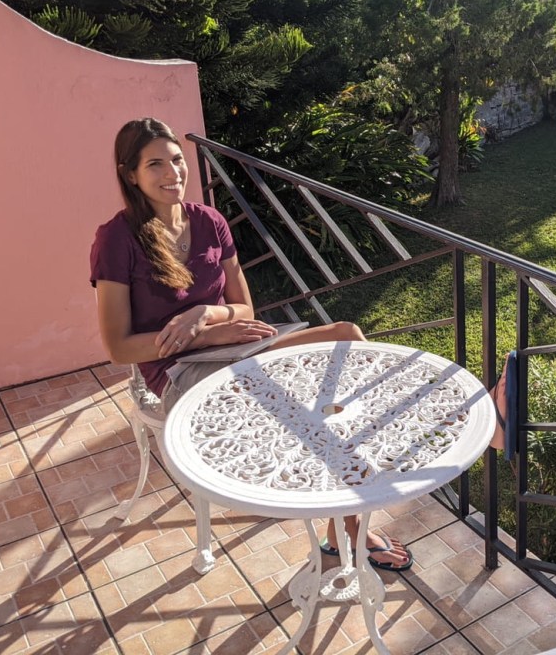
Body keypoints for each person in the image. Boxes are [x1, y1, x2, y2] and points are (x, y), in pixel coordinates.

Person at [90, 117, 411, 571]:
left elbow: (244, 309)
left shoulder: (209, 221)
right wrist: (203, 336)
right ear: (130, 174)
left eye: (177, 160)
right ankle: (349, 524)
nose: (173, 173)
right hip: (177, 370)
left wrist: (207, 314)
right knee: (303, 408)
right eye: (155, 164)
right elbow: (119, 349)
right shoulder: (117, 239)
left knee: (347, 336)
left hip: (234, 346)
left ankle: (349, 499)